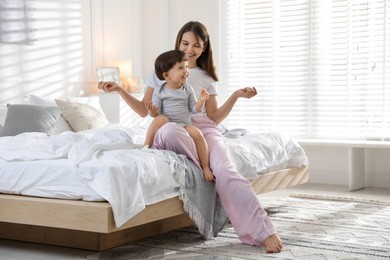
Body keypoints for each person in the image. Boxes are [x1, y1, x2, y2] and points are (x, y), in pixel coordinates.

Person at [98, 21, 282, 253]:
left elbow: (213, 118)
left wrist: (235, 96)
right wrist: (120, 90)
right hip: (172, 129)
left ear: (204, 48)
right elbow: (145, 111)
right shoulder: (162, 70)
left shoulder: (205, 77)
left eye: (196, 45)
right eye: (185, 43)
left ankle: (264, 232)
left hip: (203, 130)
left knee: (226, 171)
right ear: (178, 42)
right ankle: (205, 167)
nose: (189, 49)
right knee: (168, 129)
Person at [144, 49, 213, 181]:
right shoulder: (160, 90)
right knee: (160, 118)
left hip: (184, 125)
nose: (186, 70)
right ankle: (147, 145)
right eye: (181, 68)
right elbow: (155, 112)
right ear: (166, 76)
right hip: (167, 123)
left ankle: (205, 166)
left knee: (198, 134)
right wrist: (152, 112)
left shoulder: (188, 89)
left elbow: (194, 109)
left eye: (186, 67)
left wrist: (201, 101)